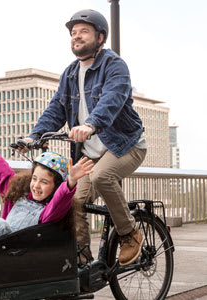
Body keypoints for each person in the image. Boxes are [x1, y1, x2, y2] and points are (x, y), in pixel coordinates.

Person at [18, 9, 147, 266]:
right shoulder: (69, 73)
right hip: (91, 154)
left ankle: (130, 233)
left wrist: (90, 125)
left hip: (126, 145)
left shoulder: (114, 65)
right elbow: (56, 108)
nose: (76, 37)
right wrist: (34, 136)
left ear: (100, 37)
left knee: (103, 176)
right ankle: (82, 261)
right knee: (72, 200)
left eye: (83, 32)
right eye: (73, 33)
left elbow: (113, 99)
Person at [0, 128, 94, 254]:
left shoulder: (47, 212)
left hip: (16, 256)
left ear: (56, 187)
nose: (37, 185)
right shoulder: (19, 196)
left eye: (44, 182)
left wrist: (71, 182)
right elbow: (2, 170)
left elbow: (60, 201)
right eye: (34, 179)